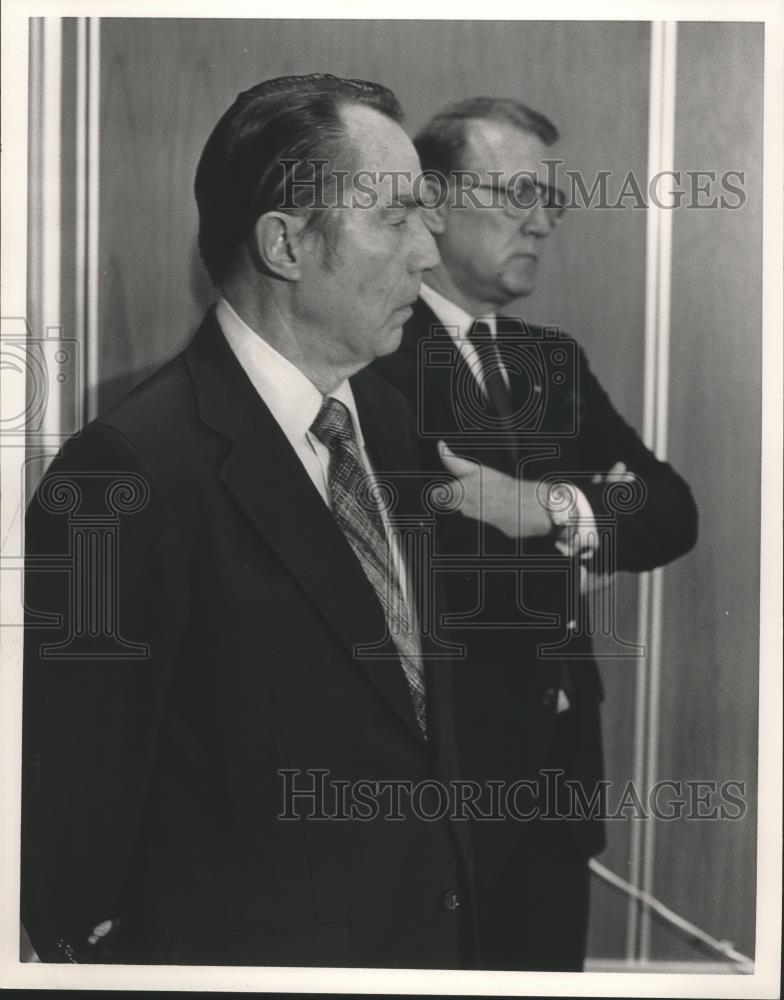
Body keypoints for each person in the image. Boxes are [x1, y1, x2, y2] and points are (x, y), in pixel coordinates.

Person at [21, 75, 477, 969]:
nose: (431, 251)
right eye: (395, 217)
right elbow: (69, 817)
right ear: (285, 243)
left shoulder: (387, 421)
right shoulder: (130, 471)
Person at [371, 96, 698, 970]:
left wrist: (543, 508)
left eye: (548, 198)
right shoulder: (371, 358)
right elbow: (422, 545)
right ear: (432, 202)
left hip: (557, 781)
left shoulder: (549, 357)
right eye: (516, 193)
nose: (541, 222)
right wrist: (592, 504)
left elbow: (671, 510)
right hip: (436, 787)